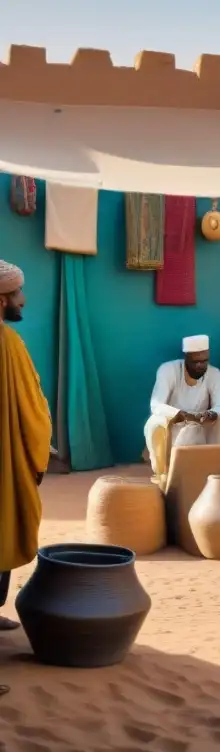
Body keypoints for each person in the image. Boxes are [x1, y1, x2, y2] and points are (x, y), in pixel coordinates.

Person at [0, 259, 52, 697]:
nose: (23, 300)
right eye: (17, 293)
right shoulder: (8, 343)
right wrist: (38, 454)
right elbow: (32, 410)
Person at [144, 335, 220, 481]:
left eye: (204, 361)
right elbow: (156, 405)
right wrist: (182, 415)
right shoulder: (168, 370)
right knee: (154, 423)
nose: (201, 365)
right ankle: (162, 473)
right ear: (186, 358)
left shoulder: (213, 373)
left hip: (201, 424)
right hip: (174, 424)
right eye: (196, 362)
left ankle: (215, 468)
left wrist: (212, 414)